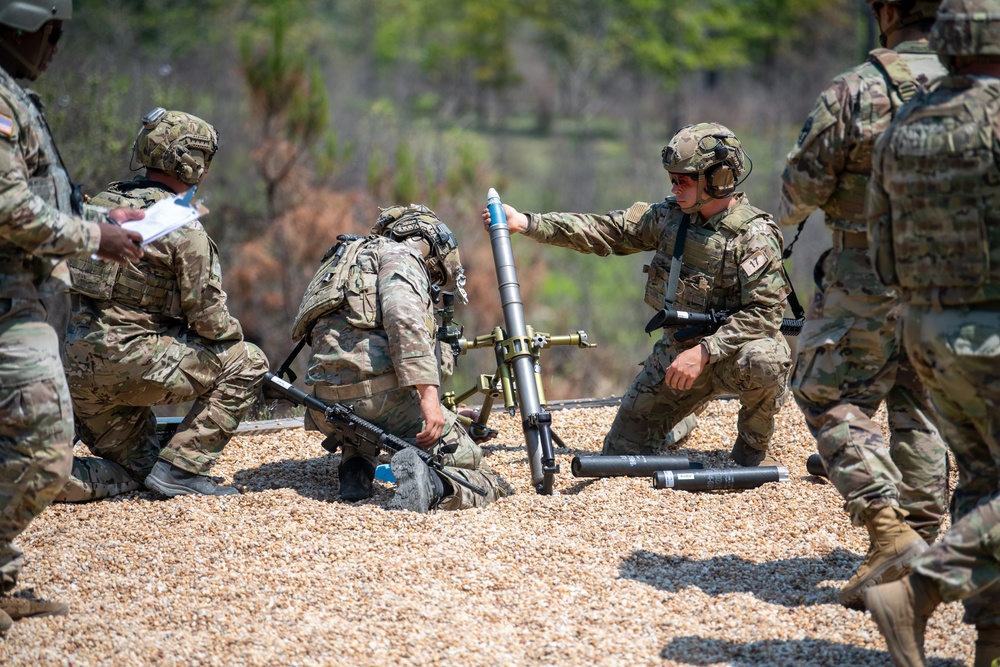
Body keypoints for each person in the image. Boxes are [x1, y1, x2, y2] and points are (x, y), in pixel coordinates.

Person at [483, 122, 793, 465]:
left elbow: (765, 315)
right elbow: (607, 230)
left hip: (733, 355)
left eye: (684, 180)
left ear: (718, 179)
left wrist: (705, 351)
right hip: (678, 355)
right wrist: (527, 223)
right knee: (621, 453)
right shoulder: (670, 218)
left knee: (766, 358)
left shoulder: (755, 236)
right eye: (672, 179)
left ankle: (753, 444)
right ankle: (683, 414)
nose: (675, 188)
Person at [778, 0, 949, 610]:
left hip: (867, 270)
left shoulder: (857, 90)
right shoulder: (983, 86)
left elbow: (801, 188)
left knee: (822, 391)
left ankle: (887, 531)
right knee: (919, 396)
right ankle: (924, 544)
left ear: (889, 12)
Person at [0, 0, 147, 633]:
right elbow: (10, 211)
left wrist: (101, 222)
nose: (55, 48)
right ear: (18, 26)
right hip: (12, 301)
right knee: (45, 449)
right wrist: (95, 241)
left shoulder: (16, 97)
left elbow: (41, 197)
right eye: (50, 33)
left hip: (31, 297)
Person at [862, 1, 1000, 664]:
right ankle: (917, 589)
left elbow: (882, 252)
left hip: (926, 330)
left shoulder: (902, 124)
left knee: (981, 481)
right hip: (993, 331)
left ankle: (993, 642)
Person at [59, 107, 269, 500]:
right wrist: (233, 340)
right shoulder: (178, 224)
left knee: (139, 470)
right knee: (248, 361)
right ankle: (183, 472)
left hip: (77, 375)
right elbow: (210, 320)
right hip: (131, 365)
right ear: (189, 162)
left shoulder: (98, 205)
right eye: (204, 159)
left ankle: (44, 477)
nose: (206, 169)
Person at [294, 204, 513, 512]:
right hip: (378, 401)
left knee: (368, 423)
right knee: (481, 474)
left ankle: (355, 471)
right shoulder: (402, 257)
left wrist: (448, 409)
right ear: (425, 246)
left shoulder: (348, 260)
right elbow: (402, 317)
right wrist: (429, 400)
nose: (432, 278)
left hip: (324, 404)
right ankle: (434, 487)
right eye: (434, 271)